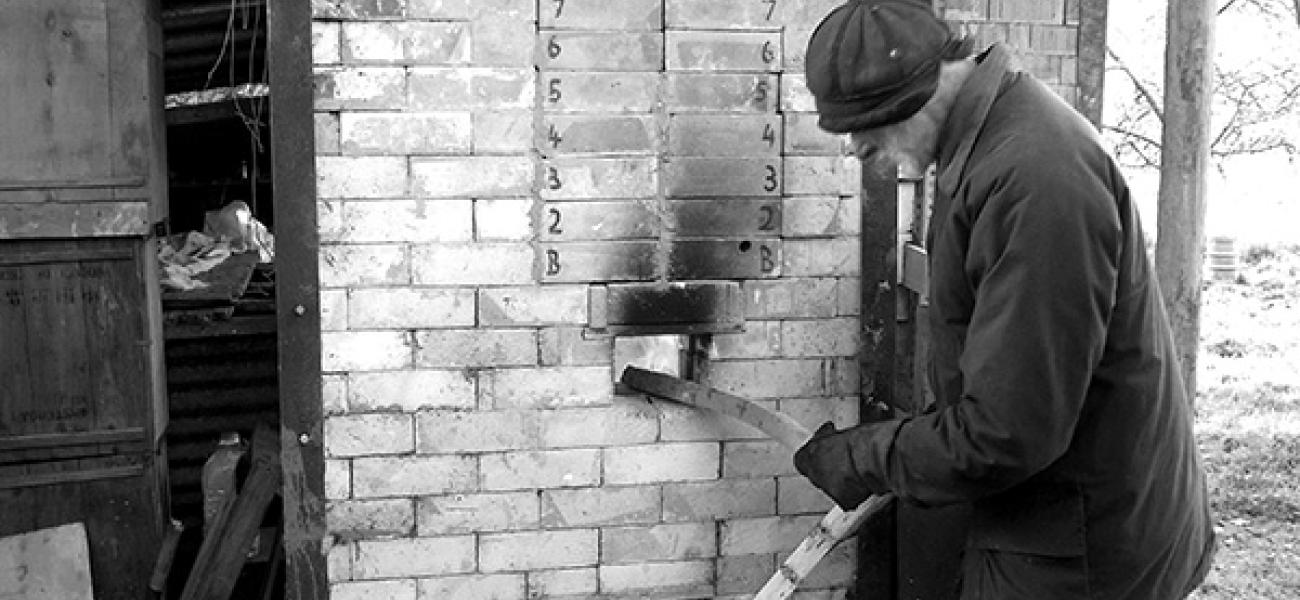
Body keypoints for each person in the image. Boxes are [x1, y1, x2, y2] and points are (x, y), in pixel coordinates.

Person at [791, 1, 1217, 598]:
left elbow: (1006, 433)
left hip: (1085, 547)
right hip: (1050, 516)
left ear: (916, 94)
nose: (859, 149)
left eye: (866, 126)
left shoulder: (1036, 179)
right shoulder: (983, 143)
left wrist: (865, 457)